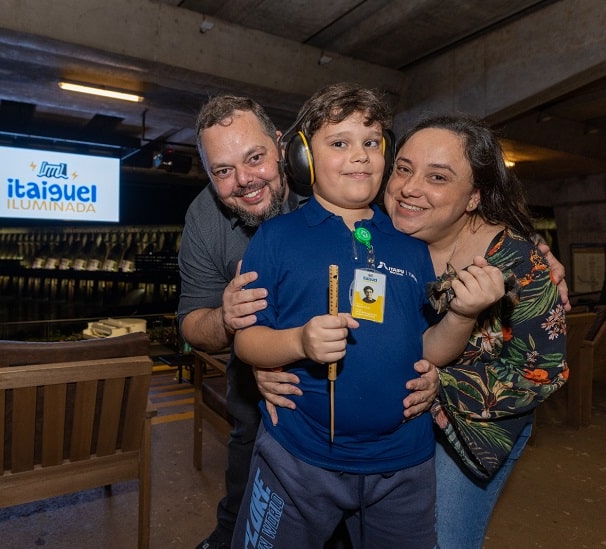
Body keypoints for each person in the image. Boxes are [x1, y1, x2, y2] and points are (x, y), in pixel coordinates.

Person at [231, 83, 503, 548]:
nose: (360, 156)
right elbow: (246, 341)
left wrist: (462, 313)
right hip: (297, 456)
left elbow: (428, 350)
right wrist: (299, 342)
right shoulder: (275, 238)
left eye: (372, 143)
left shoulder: (411, 246)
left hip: (403, 463)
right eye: (339, 143)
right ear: (303, 158)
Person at [177, 95, 440, 549]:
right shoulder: (206, 217)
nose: (243, 180)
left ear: (287, 150)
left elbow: (443, 219)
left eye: (255, 158)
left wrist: (527, 257)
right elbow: (190, 324)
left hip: (388, 447)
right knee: (243, 510)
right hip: (283, 417)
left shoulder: (344, 175)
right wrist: (245, 330)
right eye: (222, 171)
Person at [383, 114, 569, 548]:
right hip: (397, 413)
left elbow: (544, 371)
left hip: (476, 423)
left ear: (472, 199)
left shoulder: (521, 264)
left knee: (441, 540)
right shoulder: (380, 234)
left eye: (438, 177)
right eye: (404, 168)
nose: (410, 187)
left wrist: (440, 385)